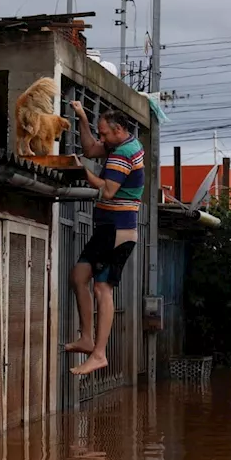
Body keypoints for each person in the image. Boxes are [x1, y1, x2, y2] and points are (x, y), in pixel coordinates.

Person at [64, 100, 145, 376]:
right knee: (78, 277)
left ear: (119, 130)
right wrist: (83, 119)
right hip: (105, 228)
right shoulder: (118, 144)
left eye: (105, 134)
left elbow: (108, 191)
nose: (102, 139)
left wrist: (81, 171)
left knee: (102, 288)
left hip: (119, 230)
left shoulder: (124, 153)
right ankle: (87, 338)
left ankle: (99, 354)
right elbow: (89, 149)